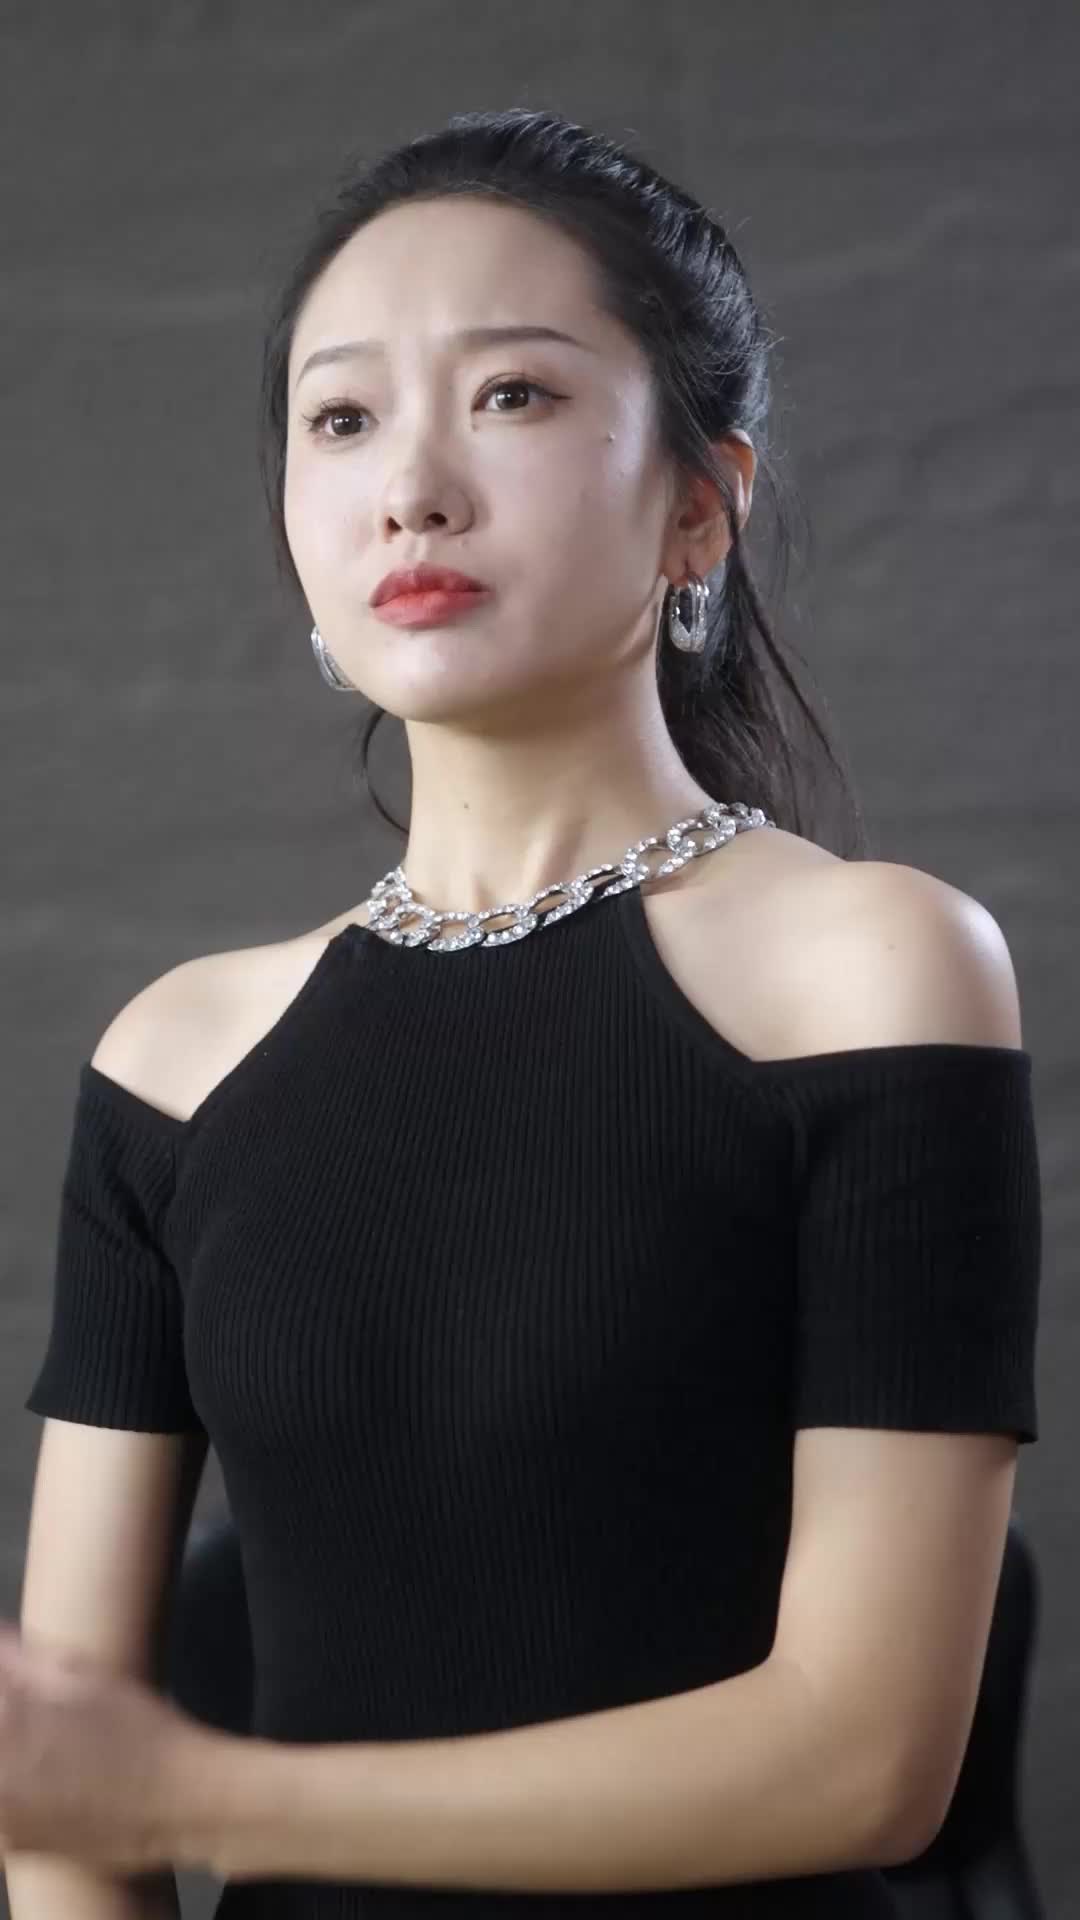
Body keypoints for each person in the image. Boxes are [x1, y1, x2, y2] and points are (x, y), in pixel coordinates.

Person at [21, 108, 1040, 1917]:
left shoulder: (873, 968)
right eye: (343, 418)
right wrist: (131, 1802)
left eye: (511, 395)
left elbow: (867, 1758)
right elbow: (58, 1803)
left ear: (699, 505)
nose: (412, 485)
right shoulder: (175, 1058)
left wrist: (209, 1791)